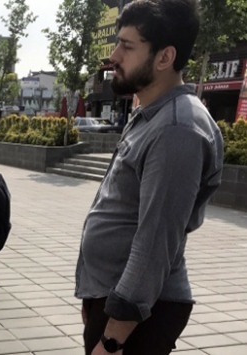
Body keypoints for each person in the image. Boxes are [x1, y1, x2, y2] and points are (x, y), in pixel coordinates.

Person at [75, 1, 224, 355]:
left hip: (140, 317)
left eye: (127, 46)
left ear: (164, 57)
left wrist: (112, 338)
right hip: (114, 300)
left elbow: (155, 244)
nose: (114, 56)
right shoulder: (150, 115)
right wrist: (93, 298)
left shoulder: (177, 130)